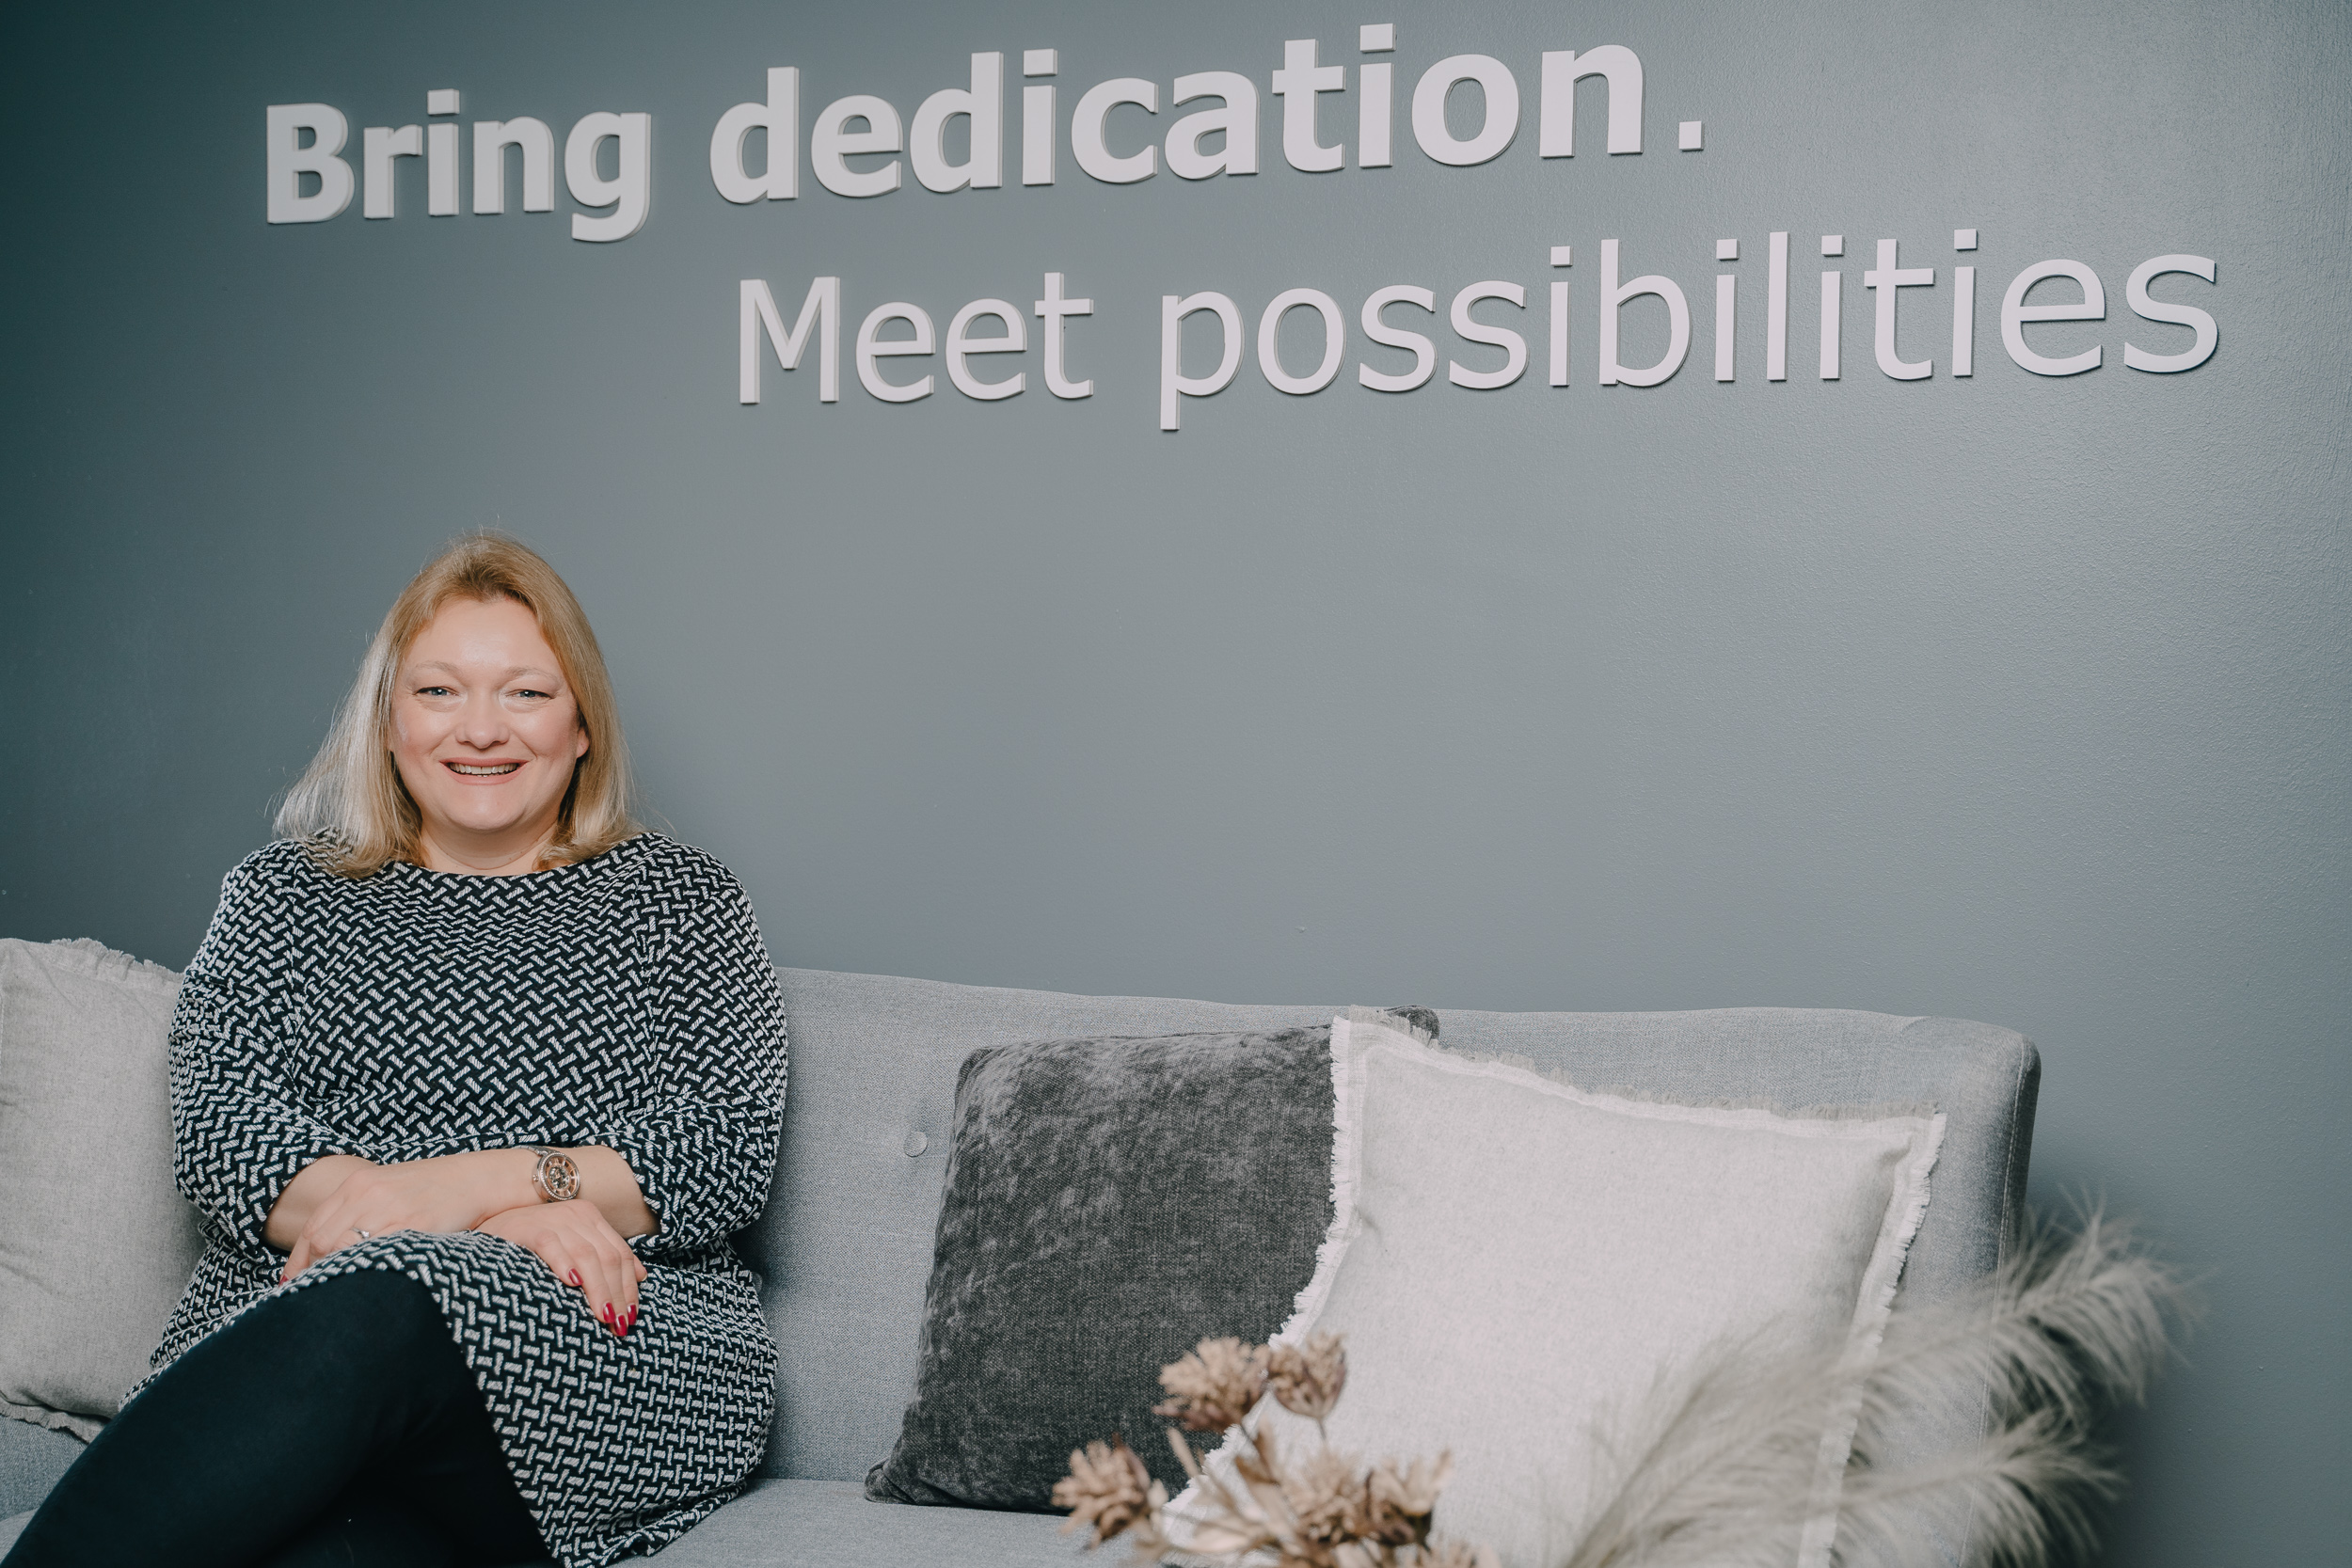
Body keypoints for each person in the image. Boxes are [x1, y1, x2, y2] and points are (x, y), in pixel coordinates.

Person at [3, 536, 788, 1568]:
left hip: (611, 1344)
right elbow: (221, 1129)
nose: (480, 727)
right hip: (303, 1343)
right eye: (438, 690)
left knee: (393, 1290)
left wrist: (464, 1193)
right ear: (388, 719)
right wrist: (481, 1219)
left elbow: (722, 1144)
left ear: (583, 723)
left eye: (525, 692)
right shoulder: (282, 895)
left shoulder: (681, 899)